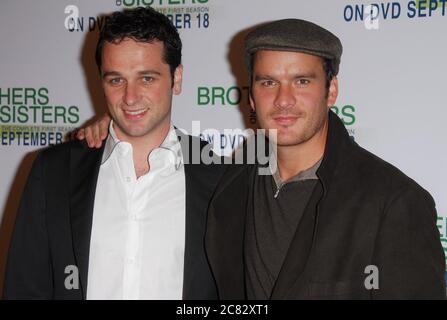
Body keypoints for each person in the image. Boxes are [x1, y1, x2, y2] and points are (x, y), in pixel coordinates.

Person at [77, 19, 445, 299]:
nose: (283, 100)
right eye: (268, 82)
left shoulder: (393, 202)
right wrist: (116, 125)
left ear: (331, 90)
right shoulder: (229, 181)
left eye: (302, 81)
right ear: (251, 96)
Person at [4, 6, 224, 300]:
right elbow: (24, 289)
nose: (130, 97)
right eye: (116, 80)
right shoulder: (53, 171)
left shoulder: (220, 179)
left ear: (177, 78)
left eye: (147, 78)